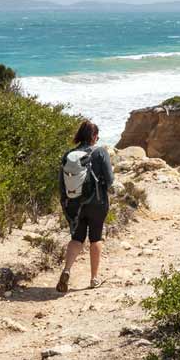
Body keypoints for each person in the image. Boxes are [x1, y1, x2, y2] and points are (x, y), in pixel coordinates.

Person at [58, 119, 115, 292]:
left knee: (77, 238)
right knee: (95, 238)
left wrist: (65, 203)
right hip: (97, 202)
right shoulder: (100, 152)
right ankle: (94, 278)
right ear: (94, 136)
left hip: (74, 203)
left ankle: (67, 270)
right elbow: (110, 180)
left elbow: (62, 183)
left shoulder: (68, 154)